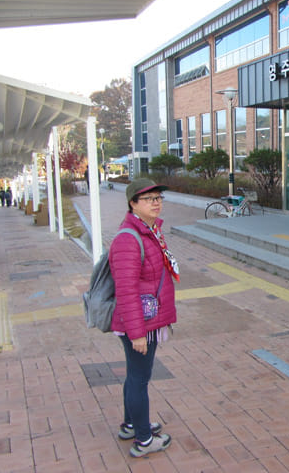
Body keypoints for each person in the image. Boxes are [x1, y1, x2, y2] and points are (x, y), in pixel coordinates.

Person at [109, 178, 180, 457]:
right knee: (140, 378)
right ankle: (143, 440)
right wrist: (137, 332)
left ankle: (130, 424)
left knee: (135, 376)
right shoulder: (129, 238)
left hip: (144, 319)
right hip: (139, 323)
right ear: (132, 204)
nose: (156, 202)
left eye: (158, 197)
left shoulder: (149, 231)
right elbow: (125, 290)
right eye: (148, 198)